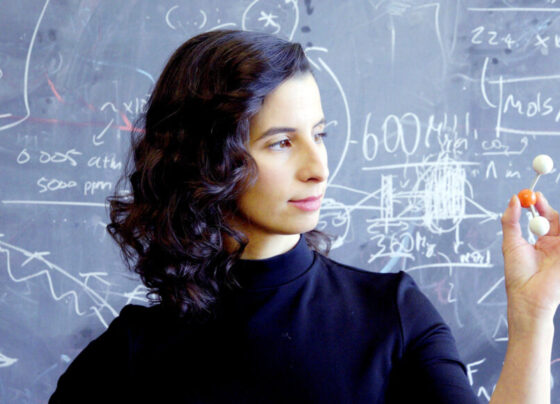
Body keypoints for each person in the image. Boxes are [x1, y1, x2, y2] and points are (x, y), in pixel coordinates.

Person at [49, 29, 560, 403]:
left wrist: (532, 320)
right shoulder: (135, 352)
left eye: (319, 134)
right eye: (281, 143)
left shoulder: (392, 315)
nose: (318, 168)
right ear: (208, 159)